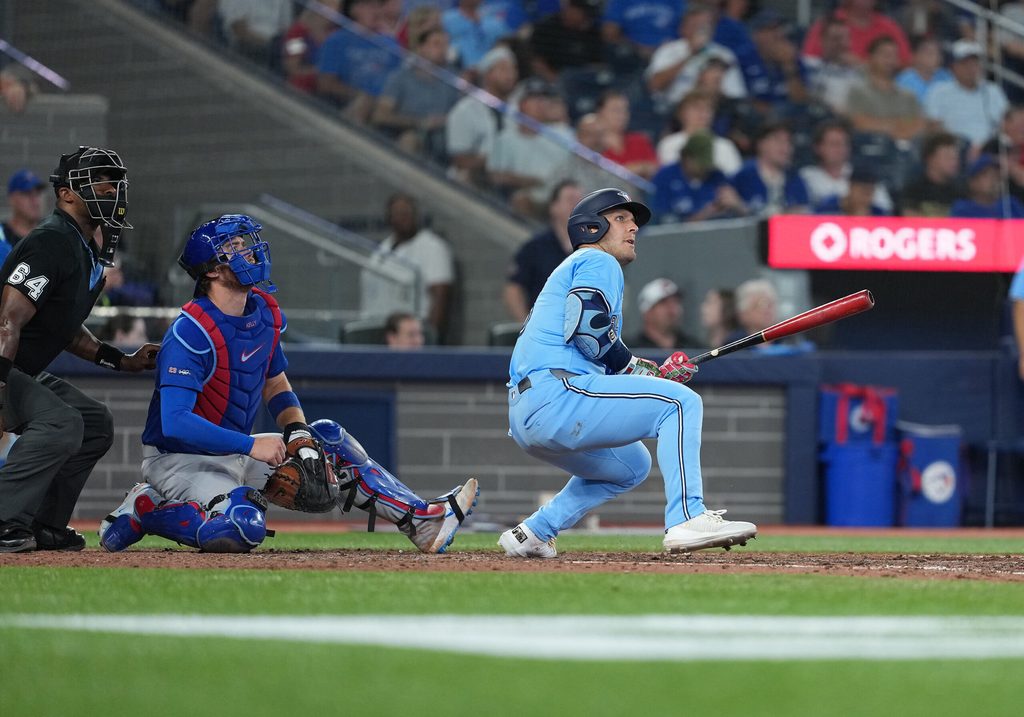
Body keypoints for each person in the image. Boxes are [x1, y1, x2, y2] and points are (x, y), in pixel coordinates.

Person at [98, 214, 477, 554]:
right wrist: (251, 444)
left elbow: (275, 383)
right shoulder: (190, 331)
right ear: (212, 270)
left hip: (239, 451)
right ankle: (148, 508)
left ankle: (422, 521)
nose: (248, 252)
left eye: (245, 244)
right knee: (241, 529)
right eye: (234, 248)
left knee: (324, 439)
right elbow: (175, 422)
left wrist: (296, 431)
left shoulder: (262, 313)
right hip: (179, 460)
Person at [500, 188, 758, 558]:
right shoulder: (596, 259)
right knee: (681, 404)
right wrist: (639, 371)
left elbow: (594, 347)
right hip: (556, 393)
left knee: (632, 464)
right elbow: (588, 329)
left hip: (531, 412)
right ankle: (688, 517)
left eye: (632, 220)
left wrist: (647, 373)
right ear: (591, 228)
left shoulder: (580, 267)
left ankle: (535, 532)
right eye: (621, 218)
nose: (633, 226)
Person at [0, 146, 159, 553]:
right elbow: (8, 319)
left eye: (115, 181)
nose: (113, 190)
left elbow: (65, 330)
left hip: (22, 368)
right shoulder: (51, 240)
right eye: (102, 180)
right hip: (4, 367)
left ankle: (44, 525)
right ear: (67, 194)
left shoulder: (82, 246)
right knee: (62, 422)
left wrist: (120, 360)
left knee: (94, 422)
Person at [360, 193, 455, 341]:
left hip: (411, 336)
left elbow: (440, 296)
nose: (404, 217)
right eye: (398, 213)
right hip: (379, 330)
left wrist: (431, 338)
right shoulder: (382, 249)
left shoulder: (432, 247)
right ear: (389, 217)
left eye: (408, 212)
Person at [371, 27, 461, 157]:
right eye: (436, 44)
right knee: (410, 139)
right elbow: (381, 115)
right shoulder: (400, 77)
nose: (443, 49)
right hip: (403, 135)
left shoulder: (454, 80)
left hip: (442, 140)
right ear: (421, 48)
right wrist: (421, 122)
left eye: (446, 45)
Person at [487, 78, 572, 215]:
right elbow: (494, 176)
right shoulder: (506, 138)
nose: (541, 104)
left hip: (551, 199)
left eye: (544, 100)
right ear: (521, 105)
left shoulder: (559, 139)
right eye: (534, 99)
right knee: (521, 199)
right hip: (514, 196)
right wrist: (527, 181)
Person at [504, 181, 583, 322]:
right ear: (554, 207)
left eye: (581, 200)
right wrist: (527, 325)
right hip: (545, 327)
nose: (578, 205)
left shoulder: (593, 249)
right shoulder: (535, 248)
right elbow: (513, 289)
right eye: (571, 199)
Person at [645, 6, 747, 115]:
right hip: (671, 110)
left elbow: (735, 96)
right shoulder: (668, 50)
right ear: (683, 28)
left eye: (705, 26)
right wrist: (690, 54)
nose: (700, 31)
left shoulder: (724, 55)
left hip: (713, 111)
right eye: (695, 26)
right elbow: (653, 86)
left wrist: (713, 85)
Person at [316, 0, 401, 123]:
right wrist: (360, 94)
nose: (376, 11)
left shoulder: (391, 43)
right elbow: (326, 83)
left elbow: (399, 79)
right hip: (347, 101)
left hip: (386, 104)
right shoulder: (337, 41)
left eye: (378, 7)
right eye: (370, 6)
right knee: (364, 102)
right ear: (354, 10)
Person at [446, 45, 519, 186]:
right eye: (503, 69)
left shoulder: (519, 110)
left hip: (509, 179)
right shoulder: (465, 109)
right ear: (487, 75)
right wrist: (494, 159)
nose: (510, 75)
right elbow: (460, 159)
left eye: (513, 69)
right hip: (470, 180)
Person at [924, 40, 1009, 154]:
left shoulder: (992, 90)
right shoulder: (939, 91)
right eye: (965, 64)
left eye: (975, 63)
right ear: (953, 67)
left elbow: (1006, 123)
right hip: (955, 148)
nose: (971, 68)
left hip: (990, 149)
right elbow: (933, 125)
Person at [845, 35, 927, 144]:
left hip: (905, 150)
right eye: (885, 55)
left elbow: (919, 124)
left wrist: (881, 124)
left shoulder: (908, 96)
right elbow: (859, 123)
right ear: (870, 58)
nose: (890, 60)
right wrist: (898, 125)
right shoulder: (858, 92)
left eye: (894, 56)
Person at [799, 120, 893, 212]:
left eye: (844, 144)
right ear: (818, 147)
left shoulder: (861, 175)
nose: (840, 149)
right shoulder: (806, 176)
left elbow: (885, 206)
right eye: (834, 144)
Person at [651, 131, 744, 223]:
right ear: (687, 157)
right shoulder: (665, 177)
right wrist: (704, 215)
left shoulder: (717, 176)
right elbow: (662, 225)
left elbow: (747, 217)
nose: (704, 168)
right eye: (700, 164)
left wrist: (738, 205)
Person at [730, 123, 811, 215]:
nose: (785, 147)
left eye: (788, 142)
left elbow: (803, 212)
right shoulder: (743, 176)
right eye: (778, 141)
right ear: (761, 144)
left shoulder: (795, 178)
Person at [802, 0, 912, 67]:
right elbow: (809, 61)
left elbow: (906, 63)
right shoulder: (826, 24)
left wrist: (863, 65)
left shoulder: (890, 27)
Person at [656, 90, 742, 174]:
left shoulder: (725, 146)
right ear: (682, 113)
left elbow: (733, 179)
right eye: (696, 108)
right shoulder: (669, 144)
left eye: (708, 109)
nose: (703, 113)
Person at [529, 0, 604, 83]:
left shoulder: (592, 32)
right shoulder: (546, 29)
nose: (586, 18)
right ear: (569, 8)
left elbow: (598, 64)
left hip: (584, 82)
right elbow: (536, 62)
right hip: (551, 82)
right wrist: (557, 82)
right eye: (583, 13)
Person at [594, 90, 659, 181]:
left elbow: (656, 169)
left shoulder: (640, 140)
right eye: (615, 110)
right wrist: (633, 169)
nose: (621, 115)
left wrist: (638, 168)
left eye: (625, 110)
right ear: (600, 112)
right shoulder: (593, 145)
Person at [803, 14, 862, 113]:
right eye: (836, 39)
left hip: (845, 121)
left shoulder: (859, 72)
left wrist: (861, 66)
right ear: (822, 41)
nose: (843, 43)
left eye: (846, 38)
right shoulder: (808, 63)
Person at [281, 0, 341, 94]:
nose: (334, 10)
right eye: (329, 5)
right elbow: (293, 68)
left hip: (330, 91)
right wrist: (319, 71)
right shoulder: (297, 33)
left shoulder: (338, 35)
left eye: (336, 6)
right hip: (300, 89)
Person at [899, 131, 961, 216]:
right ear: (930, 159)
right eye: (947, 157)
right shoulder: (913, 192)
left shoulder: (959, 194)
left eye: (955, 158)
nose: (953, 162)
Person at [629, 278, 702, 350]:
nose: (672, 310)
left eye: (676, 302)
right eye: (663, 303)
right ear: (647, 312)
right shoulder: (630, 351)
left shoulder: (694, 348)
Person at [218, 0, 292, 68]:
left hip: (275, 50)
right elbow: (239, 30)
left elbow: (288, 31)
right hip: (246, 47)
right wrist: (271, 45)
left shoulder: (285, 2)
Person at [601, 0, 682, 61]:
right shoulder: (621, 1)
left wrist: (665, 49)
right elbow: (609, 32)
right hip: (632, 55)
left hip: (670, 53)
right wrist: (636, 48)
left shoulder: (675, 1)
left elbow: (689, 26)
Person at [950, 154, 1024, 219]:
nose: (994, 179)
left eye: (997, 175)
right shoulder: (962, 209)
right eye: (987, 175)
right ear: (972, 183)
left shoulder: (1010, 205)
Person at [443, 0, 510, 69]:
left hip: (488, 71)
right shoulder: (446, 19)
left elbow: (505, 48)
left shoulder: (495, 23)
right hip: (455, 70)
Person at [1, 170, 48, 264]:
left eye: (38, 194)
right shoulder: (1, 236)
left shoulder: (52, 235)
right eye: (27, 194)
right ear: (12, 199)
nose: (35, 201)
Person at [895, 35, 953, 105]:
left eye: (937, 53)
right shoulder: (904, 80)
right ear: (916, 56)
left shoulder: (946, 76)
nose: (935, 57)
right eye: (930, 53)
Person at [814, 165, 890, 215]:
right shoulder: (829, 207)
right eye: (863, 190)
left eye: (871, 191)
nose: (866, 196)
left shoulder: (879, 213)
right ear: (851, 187)